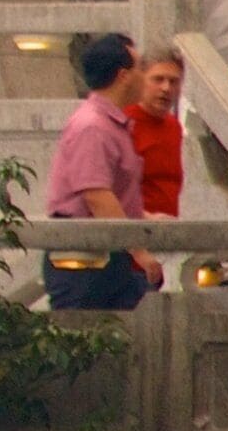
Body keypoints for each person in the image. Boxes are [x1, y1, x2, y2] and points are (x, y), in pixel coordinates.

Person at [41, 32, 161, 309]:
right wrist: (139, 251)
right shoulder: (92, 126)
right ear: (123, 76)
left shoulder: (113, 124)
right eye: (141, 68)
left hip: (110, 253)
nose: (147, 75)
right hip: (85, 258)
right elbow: (96, 194)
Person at [129, 47, 186, 219]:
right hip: (134, 230)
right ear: (141, 80)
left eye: (173, 81)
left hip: (167, 230)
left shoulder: (174, 127)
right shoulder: (124, 122)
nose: (166, 88)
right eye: (158, 79)